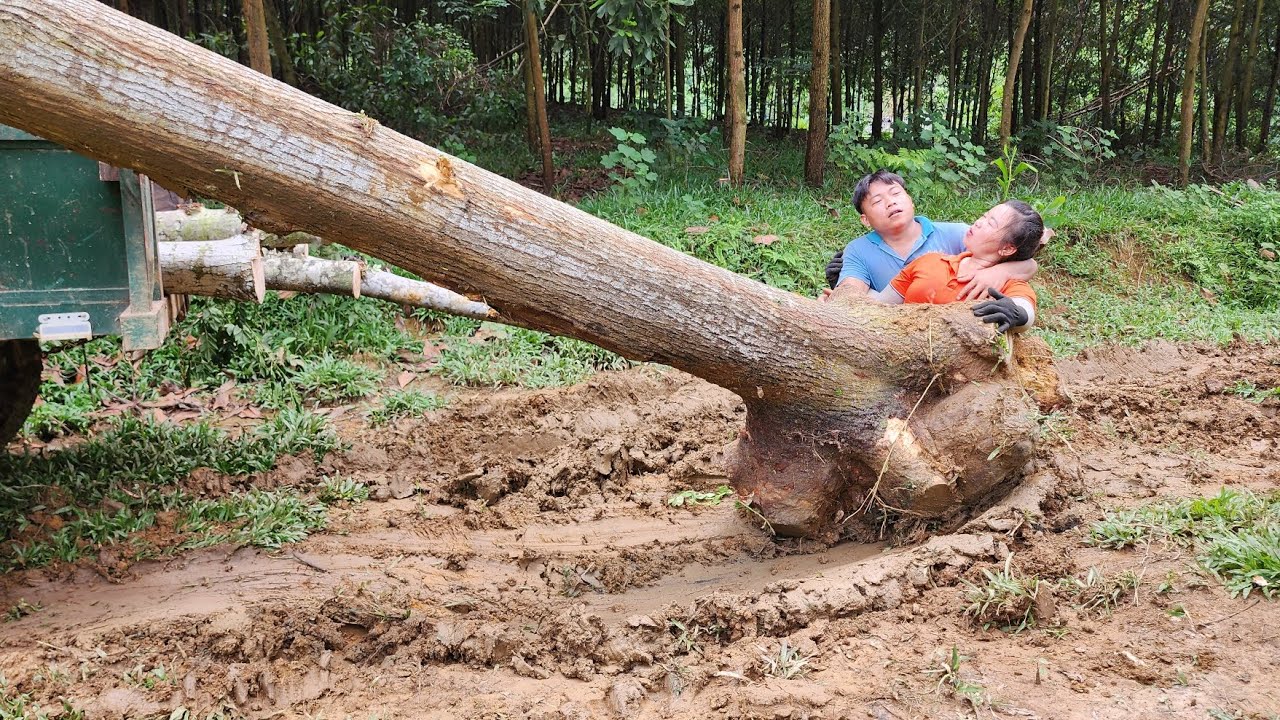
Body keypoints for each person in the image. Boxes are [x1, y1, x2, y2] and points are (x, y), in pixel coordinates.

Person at [823, 170, 1039, 304]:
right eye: (878, 201)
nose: (891, 202)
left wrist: (999, 272)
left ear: (910, 200)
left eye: (896, 194)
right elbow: (853, 293)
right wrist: (840, 293)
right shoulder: (858, 250)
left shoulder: (958, 234)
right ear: (865, 220)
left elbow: (1027, 263)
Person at [861, 199, 1045, 332]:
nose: (979, 222)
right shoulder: (930, 261)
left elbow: (1025, 311)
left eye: (991, 223)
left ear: (1007, 248)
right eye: (984, 215)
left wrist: (1017, 314)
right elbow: (880, 306)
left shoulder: (1009, 285)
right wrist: (847, 294)